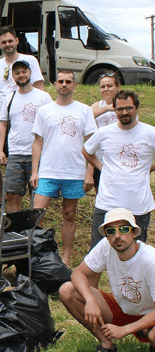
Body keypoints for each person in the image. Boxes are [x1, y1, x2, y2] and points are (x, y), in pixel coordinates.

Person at [59, 208, 155, 352]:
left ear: (135, 233)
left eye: (123, 229)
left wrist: (124, 330)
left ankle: (152, 345)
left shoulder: (150, 260)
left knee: (153, 335)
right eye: (111, 231)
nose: (117, 236)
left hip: (150, 314)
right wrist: (90, 300)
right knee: (67, 290)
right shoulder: (106, 246)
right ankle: (106, 344)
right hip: (124, 309)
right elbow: (77, 274)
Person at [30, 70, 96, 266]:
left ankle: (65, 259)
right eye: (61, 81)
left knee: (69, 215)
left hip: (74, 172)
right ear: (55, 84)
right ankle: (41, 256)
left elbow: (92, 143)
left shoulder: (84, 110)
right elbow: (37, 142)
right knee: (37, 213)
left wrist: (90, 171)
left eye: (69, 81)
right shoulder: (44, 111)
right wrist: (35, 170)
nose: (64, 84)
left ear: (74, 85)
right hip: (48, 170)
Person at [83, 89, 155, 249]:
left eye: (128, 108)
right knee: (97, 252)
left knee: (136, 254)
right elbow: (86, 151)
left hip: (138, 205)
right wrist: (101, 167)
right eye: (120, 109)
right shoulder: (104, 132)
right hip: (107, 203)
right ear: (114, 110)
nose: (124, 112)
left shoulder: (150, 133)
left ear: (136, 108)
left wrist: (148, 168)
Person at [0, 26, 44, 203]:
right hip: (0, 117)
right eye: (4, 42)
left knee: (28, 155)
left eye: (10, 40)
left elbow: (40, 87)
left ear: (17, 41)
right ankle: (2, 191)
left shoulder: (29, 60)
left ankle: (37, 199)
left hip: (25, 116)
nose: (8, 44)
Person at [0, 60, 52, 212]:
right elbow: (3, 125)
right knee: (12, 196)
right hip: (14, 154)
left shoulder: (44, 97)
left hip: (39, 155)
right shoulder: (9, 98)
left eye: (24, 71)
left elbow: (51, 125)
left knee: (38, 198)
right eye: (17, 72)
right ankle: (15, 232)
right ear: (12, 76)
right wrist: (0, 150)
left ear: (30, 72)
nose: (21, 75)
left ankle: (35, 233)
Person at [89, 72, 120, 193]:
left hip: (119, 158)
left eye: (110, 86)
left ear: (117, 87)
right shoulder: (97, 105)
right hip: (100, 160)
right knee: (101, 193)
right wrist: (107, 108)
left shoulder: (124, 104)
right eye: (103, 87)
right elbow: (86, 119)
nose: (106, 89)